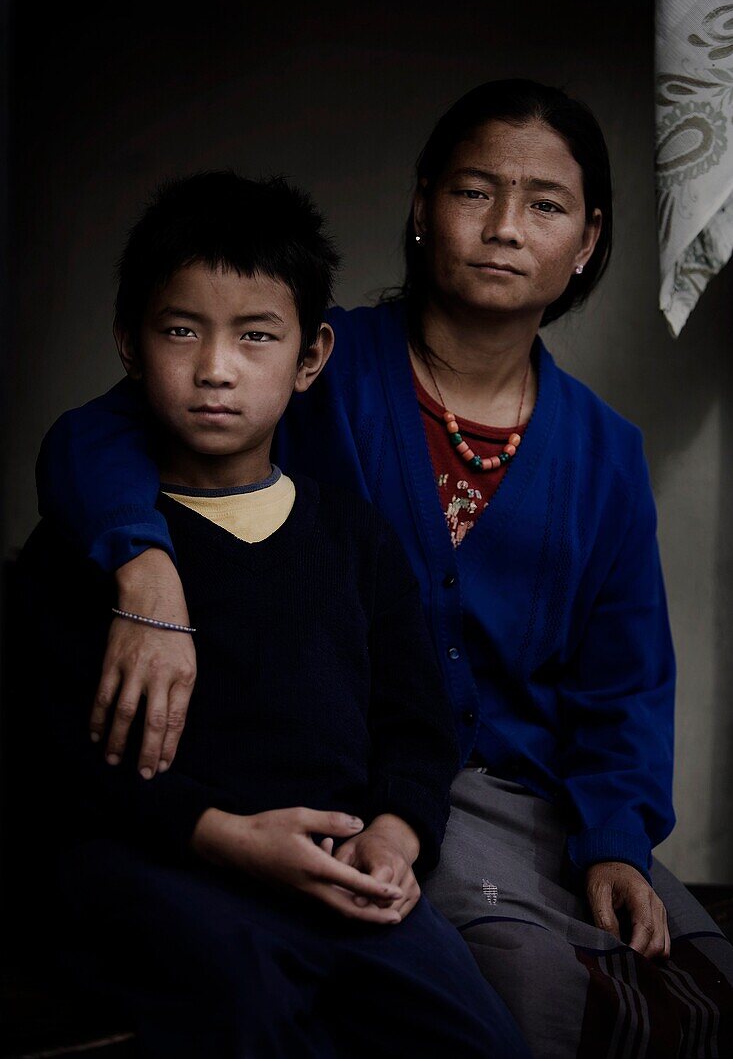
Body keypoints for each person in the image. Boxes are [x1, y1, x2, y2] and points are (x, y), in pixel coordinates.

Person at [35, 80, 733, 1057]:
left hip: (525, 797)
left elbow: (623, 679)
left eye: (543, 204)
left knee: (700, 978)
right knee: (514, 985)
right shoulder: (310, 360)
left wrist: (616, 837)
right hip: (360, 782)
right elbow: (92, 438)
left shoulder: (607, 451)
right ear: (419, 207)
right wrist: (143, 565)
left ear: (586, 240)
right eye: (472, 191)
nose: (501, 228)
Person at [17, 171, 530, 1059]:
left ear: (310, 359)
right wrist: (220, 837)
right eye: (181, 330)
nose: (216, 368)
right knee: (246, 1010)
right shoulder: (87, 545)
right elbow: (51, 745)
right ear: (130, 346)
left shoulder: (353, 538)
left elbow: (416, 723)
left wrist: (395, 834)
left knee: (477, 1033)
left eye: (256, 336)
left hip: (336, 874)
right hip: (164, 865)